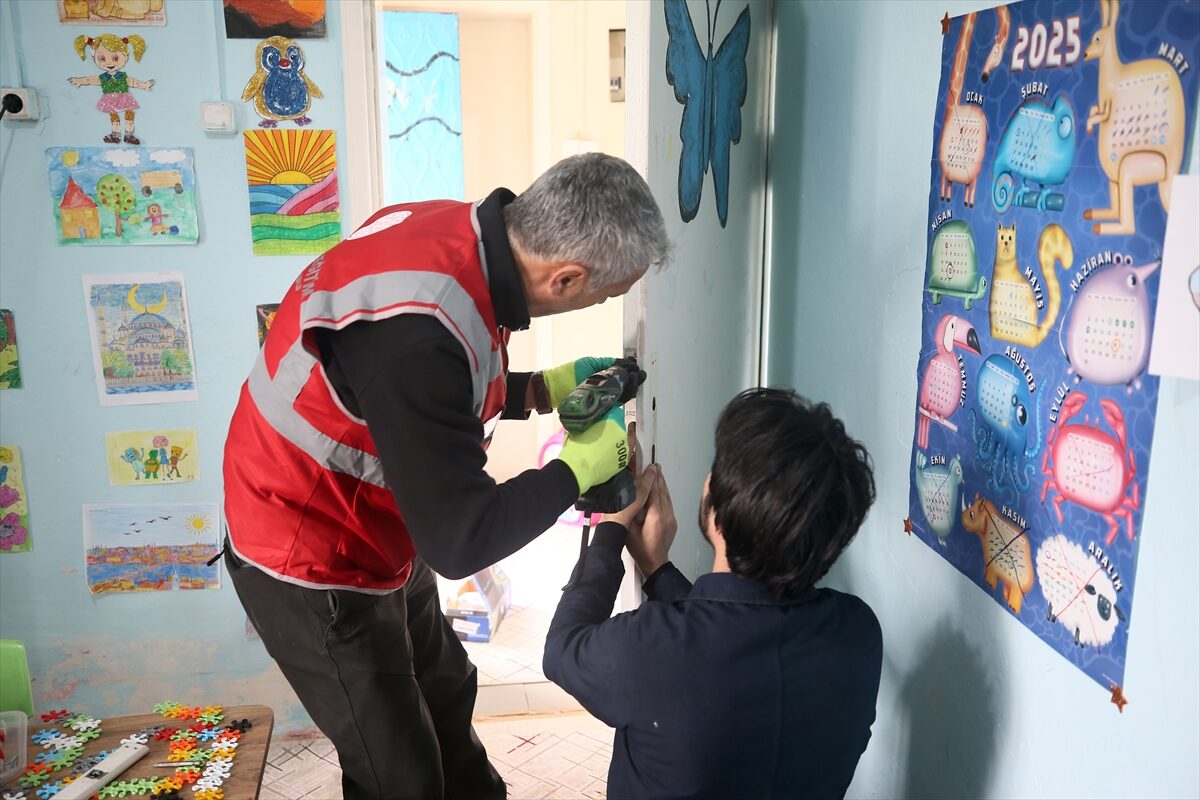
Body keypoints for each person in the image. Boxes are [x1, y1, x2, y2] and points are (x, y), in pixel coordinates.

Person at [222, 153, 669, 800]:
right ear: (567, 278)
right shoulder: (417, 332)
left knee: (446, 689)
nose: (599, 303)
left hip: (385, 517)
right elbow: (461, 542)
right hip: (306, 550)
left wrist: (539, 389)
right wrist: (575, 470)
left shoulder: (464, 237)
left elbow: (426, 393)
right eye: (603, 295)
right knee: (398, 768)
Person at [544, 388, 883, 800]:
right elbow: (726, 640)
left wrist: (610, 530)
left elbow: (562, 648)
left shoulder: (651, 650)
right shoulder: (857, 634)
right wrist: (658, 570)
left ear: (714, 505)